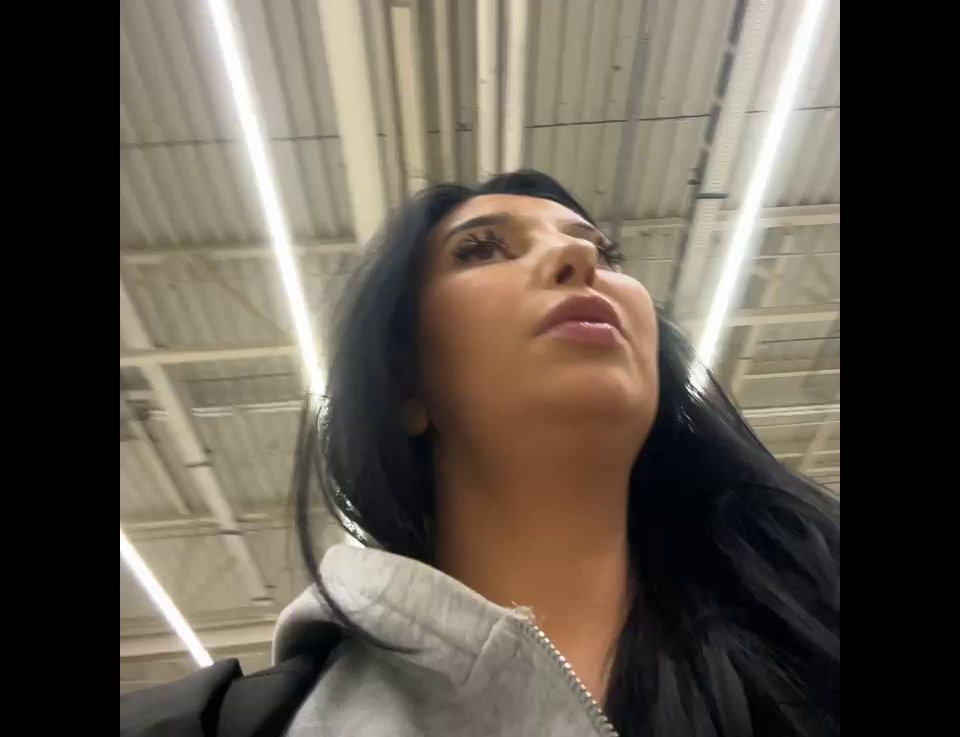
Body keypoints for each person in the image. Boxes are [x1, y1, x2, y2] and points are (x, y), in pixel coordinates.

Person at [121, 170, 839, 737]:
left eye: (603, 250)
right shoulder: (214, 725)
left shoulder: (816, 636)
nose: (578, 256)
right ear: (405, 385)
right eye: (482, 248)